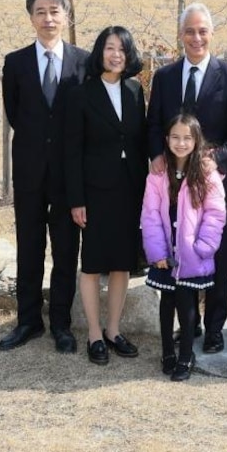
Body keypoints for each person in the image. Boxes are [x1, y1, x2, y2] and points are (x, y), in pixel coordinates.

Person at [145, 3, 227, 353]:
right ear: (181, 35)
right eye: (190, 31)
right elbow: (152, 125)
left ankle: (214, 328)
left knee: (217, 255)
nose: (196, 37)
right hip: (173, 187)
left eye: (202, 30)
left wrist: (218, 161)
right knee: (182, 252)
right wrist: (158, 156)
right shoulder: (164, 77)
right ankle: (187, 324)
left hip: (215, 185)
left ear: (212, 34)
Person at [0, 0, 89, 354]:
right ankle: (28, 321)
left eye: (54, 11)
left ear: (66, 16)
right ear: (31, 17)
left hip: (69, 174)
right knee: (30, 246)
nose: (48, 18)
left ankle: (62, 324)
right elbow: (17, 114)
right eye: (40, 11)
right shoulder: (15, 62)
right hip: (30, 170)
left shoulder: (84, 61)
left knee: (66, 250)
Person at [65, 26, 148, 365]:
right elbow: (71, 151)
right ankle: (95, 334)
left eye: (123, 49)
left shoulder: (134, 90)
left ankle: (114, 330)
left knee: (121, 263)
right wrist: (76, 199)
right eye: (110, 48)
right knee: (93, 264)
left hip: (129, 189)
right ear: (100, 51)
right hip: (95, 192)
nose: (116, 55)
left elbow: (139, 141)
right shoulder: (80, 93)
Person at [141, 114, 226, 381]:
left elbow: (216, 212)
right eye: (175, 137)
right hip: (166, 253)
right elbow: (151, 213)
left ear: (196, 140)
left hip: (193, 253)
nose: (181, 143)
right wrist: (156, 253)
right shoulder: (157, 172)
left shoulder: (207, 172)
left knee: (187, 303)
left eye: (187, 138)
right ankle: (168, 352)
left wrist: (204, 246)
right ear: (166, 140)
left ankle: (186, 355)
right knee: (167, 301)